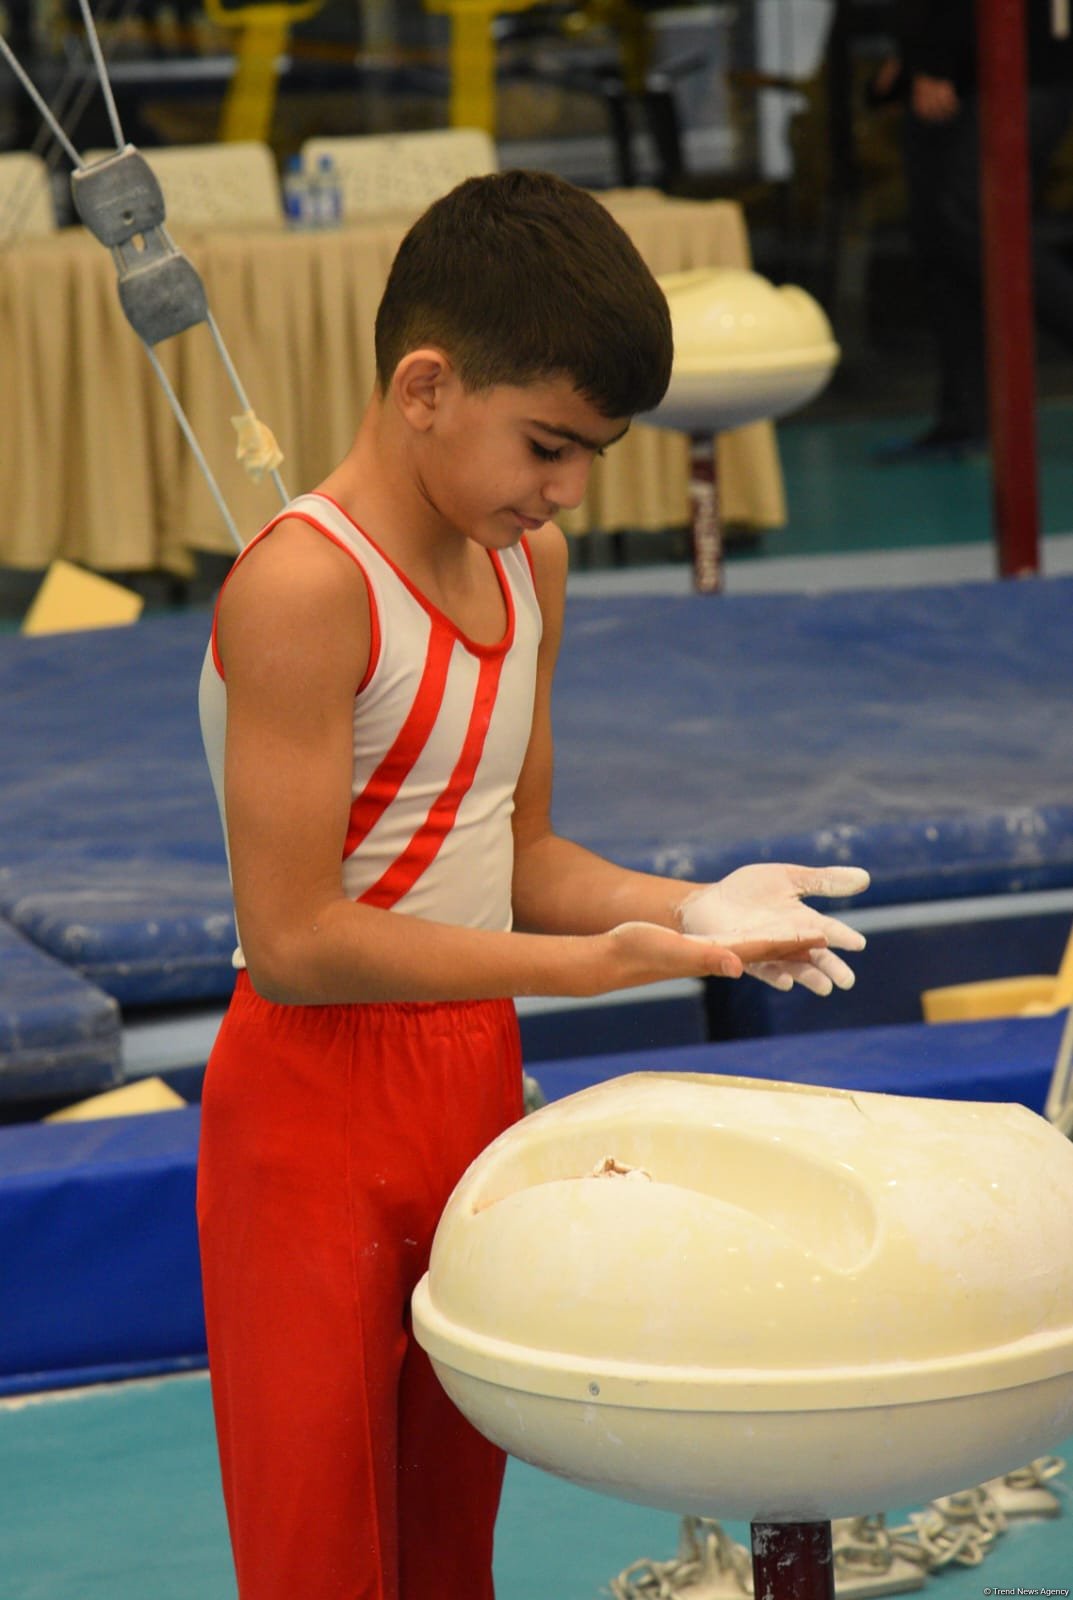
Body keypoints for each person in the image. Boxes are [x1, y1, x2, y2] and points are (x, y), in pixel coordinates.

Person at [195, 168, 870, 1600]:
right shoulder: (306, 589)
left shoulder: (529, 568)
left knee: (451, 1545)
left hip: (468, 1081)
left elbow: (522, 857)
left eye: (592, 459)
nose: (564, 492)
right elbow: (298, 937)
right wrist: (588, 968)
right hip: (310, 1107)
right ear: (424, 386)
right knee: (325, 1554)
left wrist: (692, 911)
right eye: (547, 446)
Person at [874, 0, 1073, 458]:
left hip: (1013, 65)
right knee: (940, 238)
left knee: (973, 224)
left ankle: (965, 413)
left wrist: (934, 58)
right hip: (968, 66)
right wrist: (915, 52)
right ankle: (963, 414)